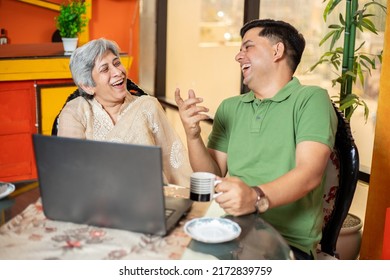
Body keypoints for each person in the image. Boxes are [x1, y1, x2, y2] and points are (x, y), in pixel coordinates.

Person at [175, 19, 338, 260]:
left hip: (286, 242)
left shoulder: (310, 100)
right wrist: (193, 135)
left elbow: (309, 174)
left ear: (277, 51)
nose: (238, 57)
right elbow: (213, 174)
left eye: (247, 47)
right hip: (226, 228)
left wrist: (255, 197)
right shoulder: (230, 107)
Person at [57, 38, 192, 187]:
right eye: (105, 69)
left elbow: (174, 166)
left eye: (116, 63)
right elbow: (71, 172)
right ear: (88, 86)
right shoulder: (75, 112)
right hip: (97, 201)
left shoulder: (147, 106)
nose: (117, 72)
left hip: (149, 199)